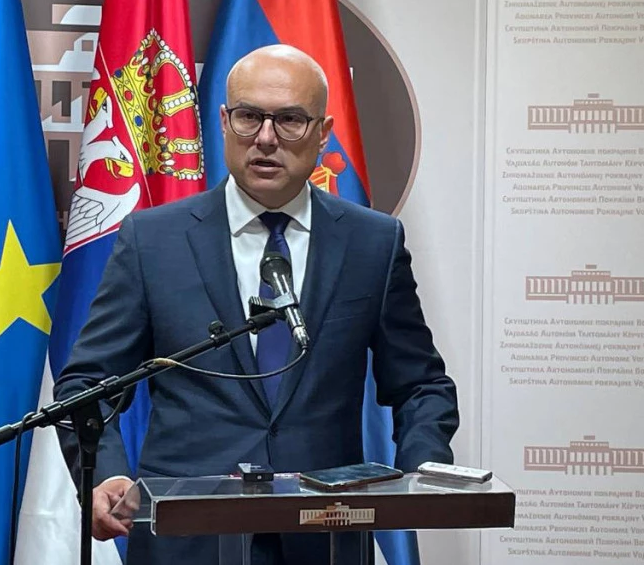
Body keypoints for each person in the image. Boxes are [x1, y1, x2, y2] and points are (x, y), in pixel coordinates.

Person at [53, 44, 459, 564]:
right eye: (249, 117)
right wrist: (105, 472)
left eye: (289, 120)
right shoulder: (153, 240)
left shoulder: (371, 243)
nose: (265, 139)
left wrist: (424, 473)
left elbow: (421, 384)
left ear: (323, 132)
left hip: (324, 539)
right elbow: (88, 383)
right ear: (224, 122)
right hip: (187, 541)